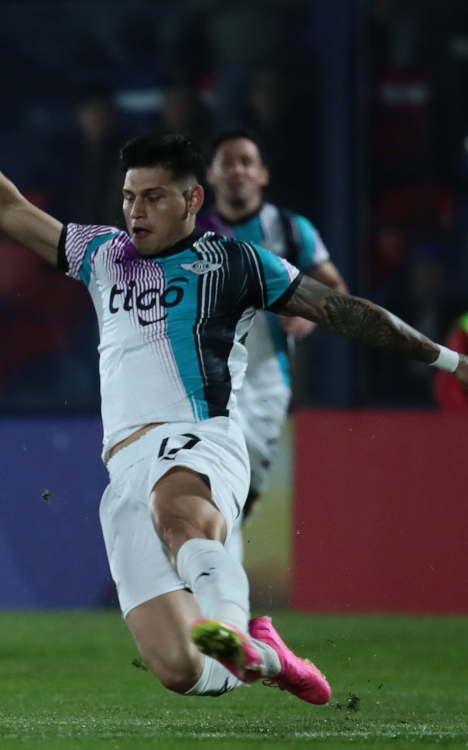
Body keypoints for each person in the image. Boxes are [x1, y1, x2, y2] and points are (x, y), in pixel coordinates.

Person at [0, 91, 468, 703]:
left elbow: (344, 311)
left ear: (192, 200)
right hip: (123, 465)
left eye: (153, 197)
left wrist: (452, 360)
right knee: (181, 670)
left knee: (179, 515)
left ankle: (232, 626)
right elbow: (5, 206)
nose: (135, 211)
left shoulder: (235, 263)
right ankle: (266, 655)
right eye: (129, 196)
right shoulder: (102, 254)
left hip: (197, 437)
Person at [197, 129, 348, 560]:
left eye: (246, 162)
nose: (237, 171)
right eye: (227, 162)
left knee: (241, 496)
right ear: (210, 175)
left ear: (263, 174)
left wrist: (307, 311)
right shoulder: (194, 233)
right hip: (204, 381)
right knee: (214, 486)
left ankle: (208, 580)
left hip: (267, 383)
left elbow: (335, 289)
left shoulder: (290, 229)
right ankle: (212, 587)